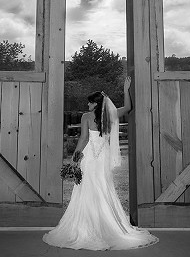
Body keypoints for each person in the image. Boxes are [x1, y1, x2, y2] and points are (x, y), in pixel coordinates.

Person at [43, 76, 159, 250]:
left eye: (90, 103)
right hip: (103, 156)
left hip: (90, 156)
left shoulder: (86, 117)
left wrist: (74, 159)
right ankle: (107, 226)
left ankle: (87, 227)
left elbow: (83, 139)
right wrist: (126, 89)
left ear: (95, 104)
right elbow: (128, 108)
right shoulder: (110, 115)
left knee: (87, 188)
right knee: (103, 187)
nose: (88, 105)